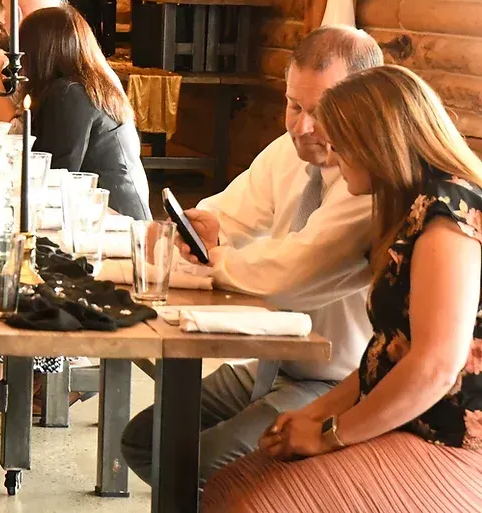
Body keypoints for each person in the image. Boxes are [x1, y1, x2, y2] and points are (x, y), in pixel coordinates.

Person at [203, 64, 482, 512]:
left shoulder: (447, 216)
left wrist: (331, 433)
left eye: (340, 142)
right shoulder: (410, 207)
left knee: (255, 502)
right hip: (412, 417)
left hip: (446, 435)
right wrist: (318, 413)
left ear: (379, 144)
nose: (330, 154)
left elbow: (434, 367)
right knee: (232, 482)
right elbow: (388, 354)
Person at [120, 25, 385, 489]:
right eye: (294, 105)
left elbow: (293, 272)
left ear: (364, 106)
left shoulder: (369, 181)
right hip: (272, 361)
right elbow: (229, 212)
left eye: (321, 111)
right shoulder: (288, 151)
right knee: (145, 439)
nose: (302, 126)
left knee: (193, 464)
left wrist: (219, 258)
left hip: (336, 378)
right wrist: (203, 226)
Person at [19, 5, 149, 220]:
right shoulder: (90, 85)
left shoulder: (70, 93)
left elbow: (55, 170)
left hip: (113, 222)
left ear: (39, 51)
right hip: (116, 212)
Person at [0, 0, 65, 122]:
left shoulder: (55, 73)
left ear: (18, 14)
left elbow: (12, 134)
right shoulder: (30, 62)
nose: (0, 19)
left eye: (5, 10)